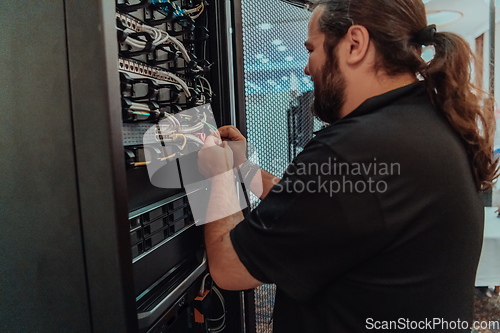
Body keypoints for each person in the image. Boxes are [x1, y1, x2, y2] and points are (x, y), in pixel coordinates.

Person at [197, 0, 499, 332]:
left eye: (311, 49)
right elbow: (308, 207)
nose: (307, 68)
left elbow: (228, 268)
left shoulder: (354, 149)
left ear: (355, 44)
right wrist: (242, 167)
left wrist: (220, 174)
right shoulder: (423, 125)